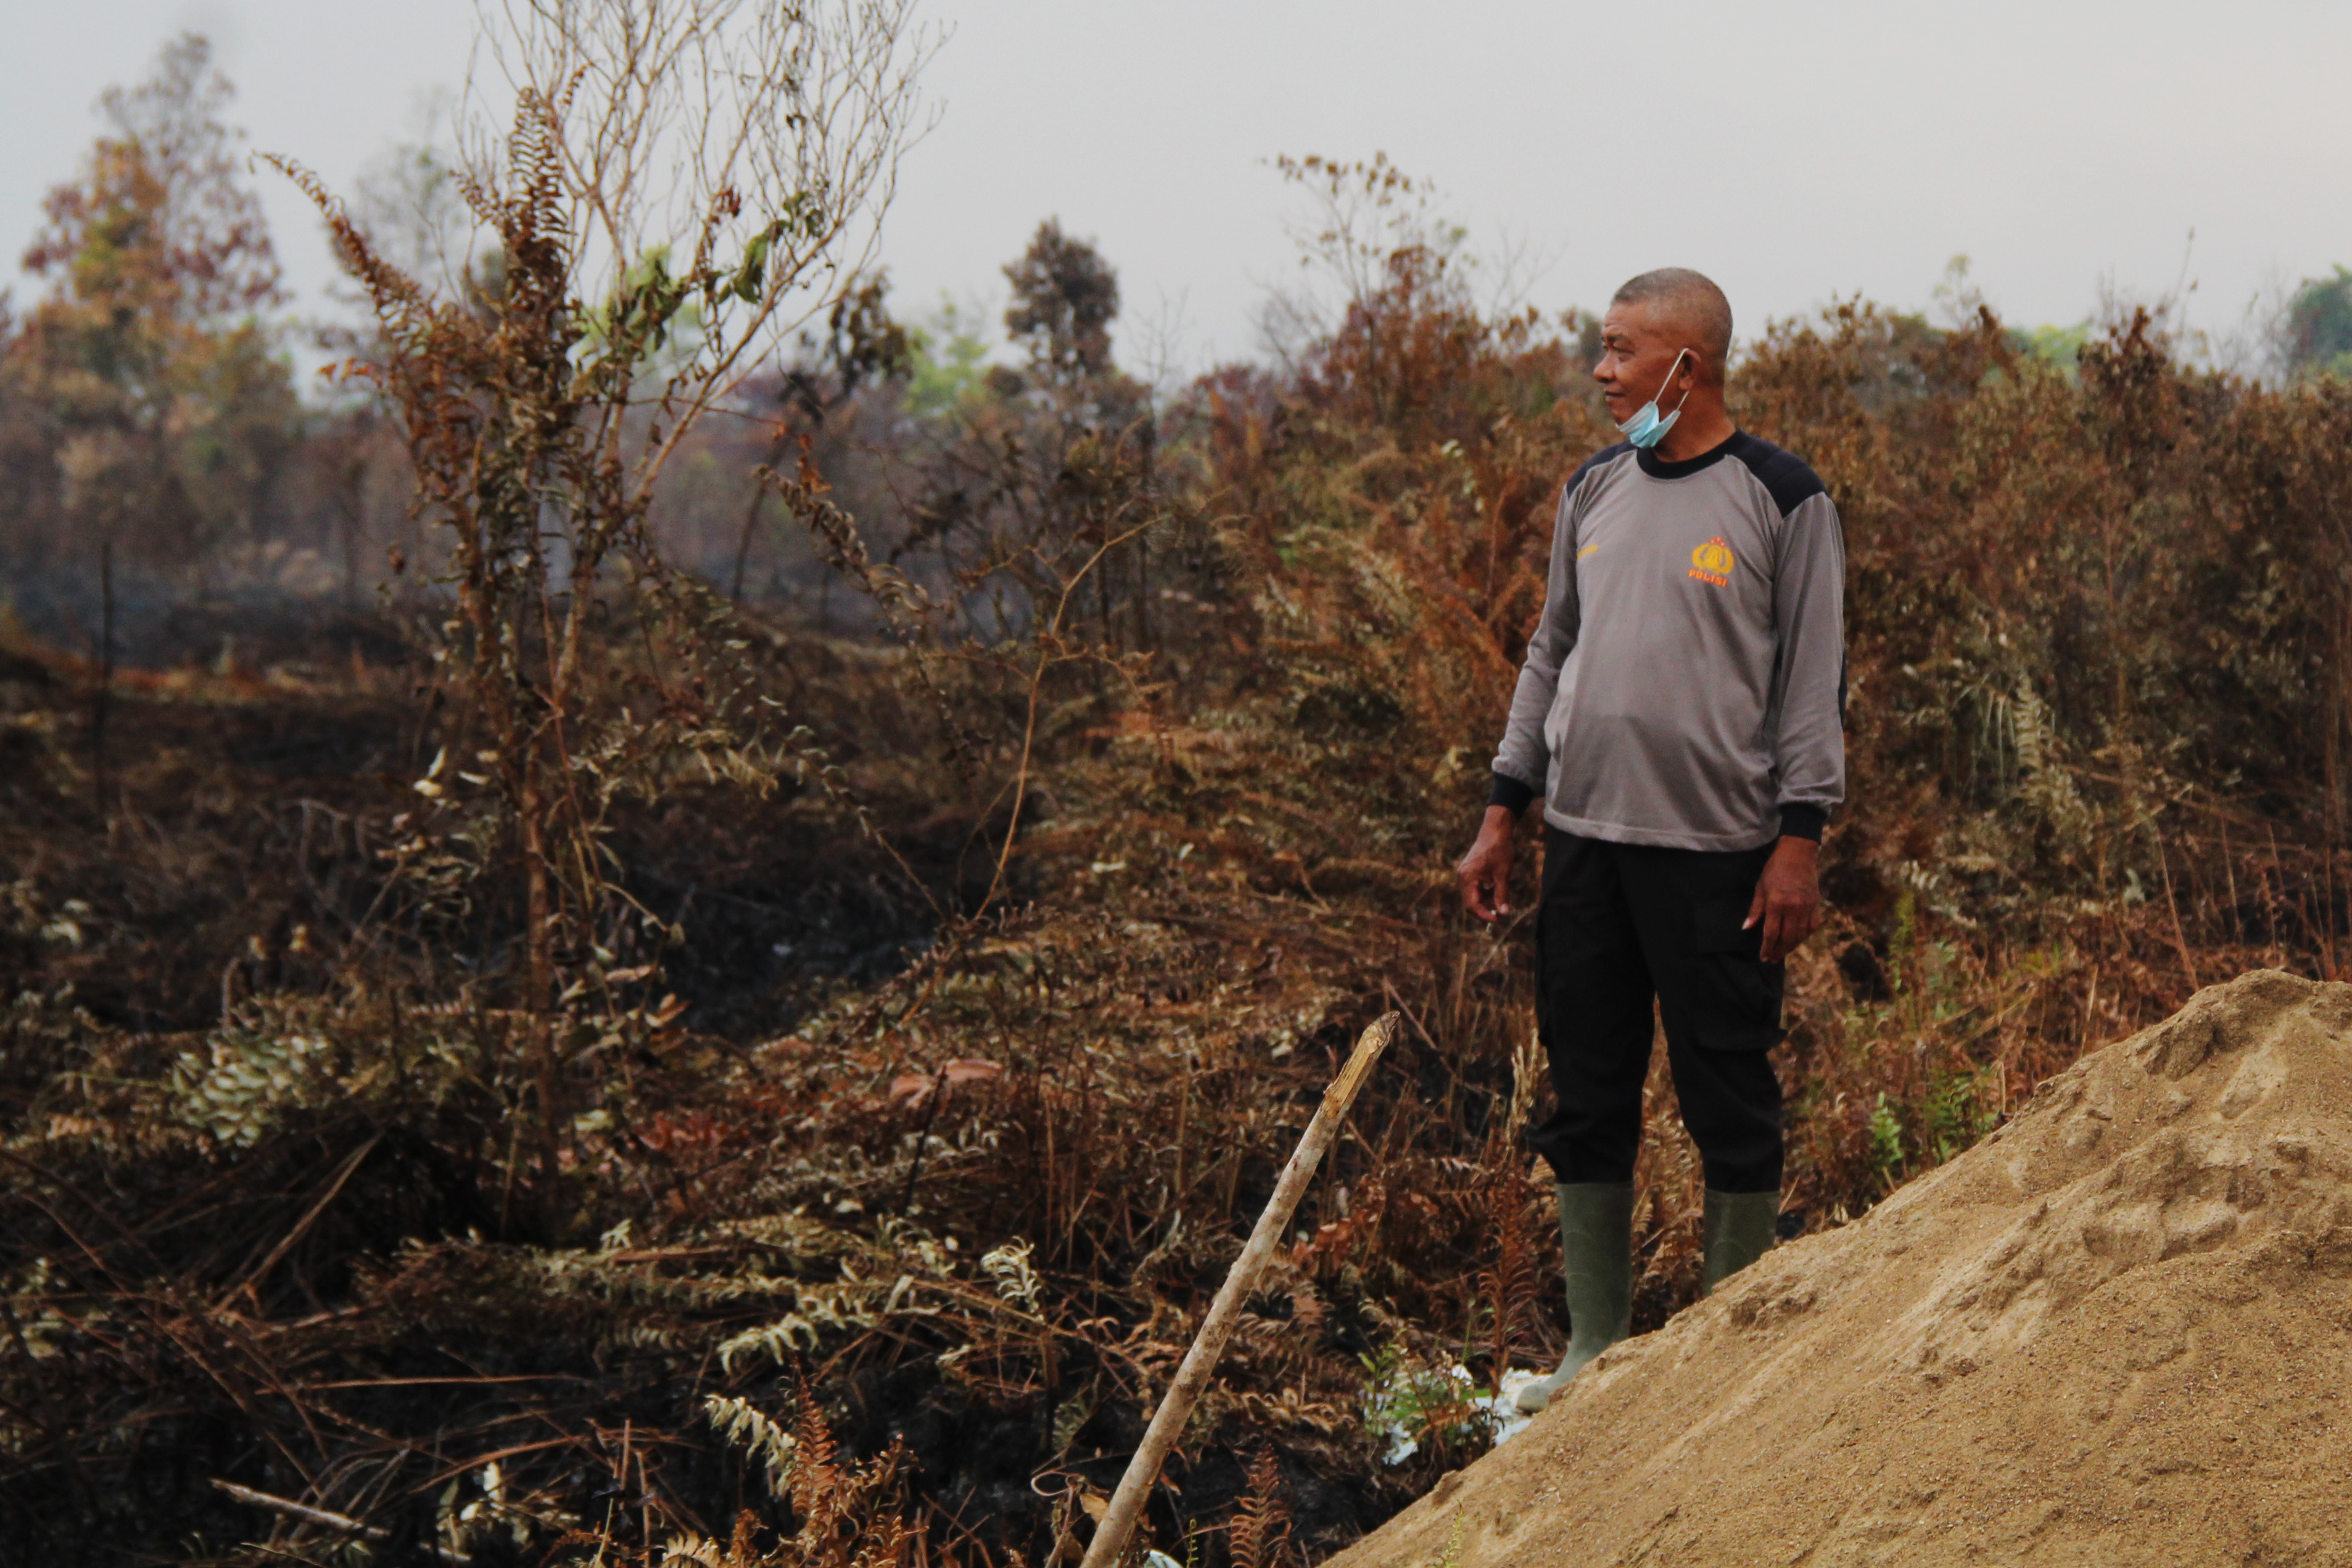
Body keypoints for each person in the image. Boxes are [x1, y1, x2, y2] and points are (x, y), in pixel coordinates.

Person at [1455, 268, 1846, 1415]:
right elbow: (1548, 651)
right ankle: (1592, 1352)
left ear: (1688, 363)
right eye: (1601, 347)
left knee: (1727, 1087)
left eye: (1620, 350)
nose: (1600, 370)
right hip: (1585, 843)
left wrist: (1799, 841)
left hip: (1721, 853)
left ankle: (1727, 1360)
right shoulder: (1593, 489)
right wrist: (1501, 807)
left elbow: (1811, 682)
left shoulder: (1782, 498)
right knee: (1586, 1091)